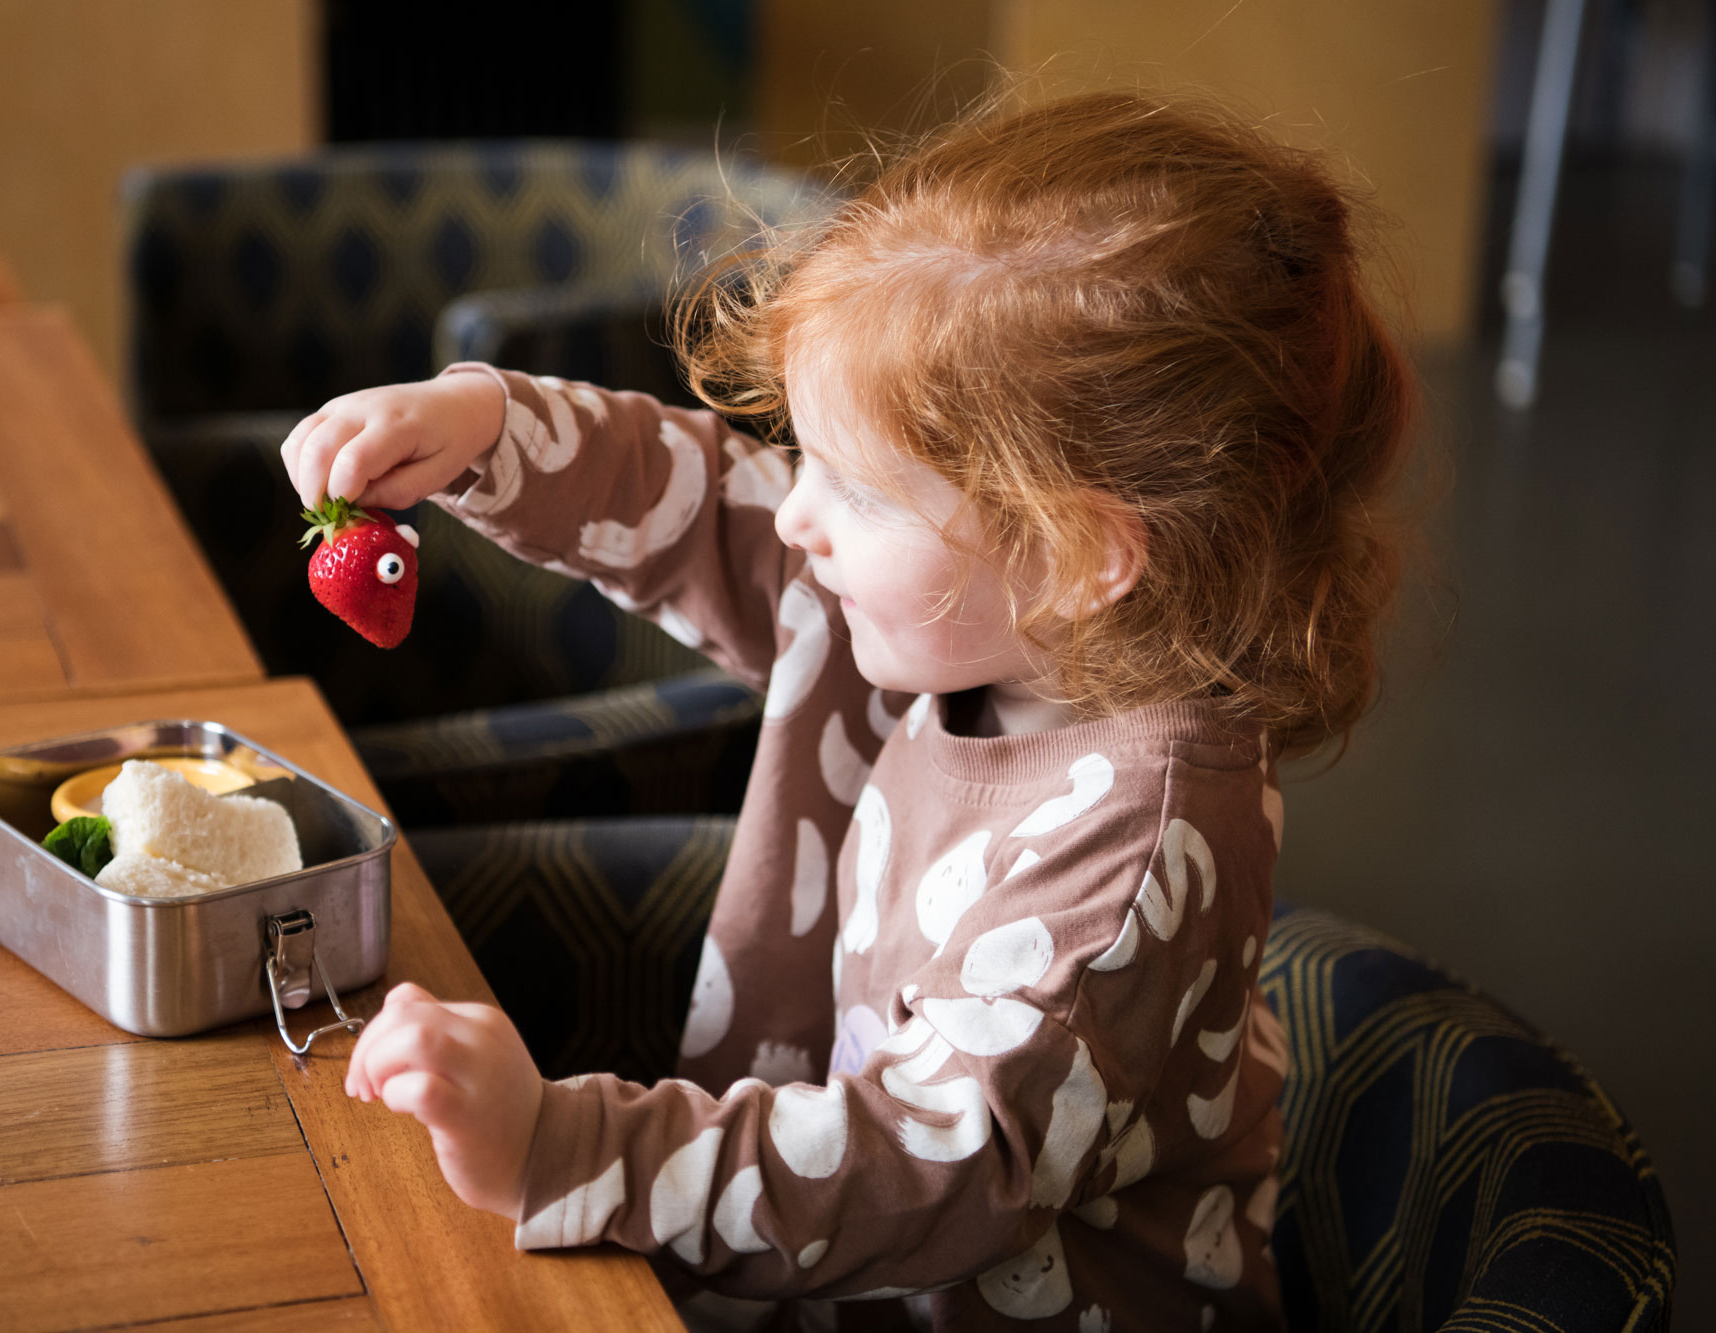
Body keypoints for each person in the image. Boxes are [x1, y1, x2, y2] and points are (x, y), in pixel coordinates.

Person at [281, 89, 1415, 1329]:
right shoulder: (974, 617)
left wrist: (560, 1145)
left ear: (1079, 553)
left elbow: (919, 1170)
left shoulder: (1126, 862)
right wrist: (487, 431)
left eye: (857, 486)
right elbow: (710, 506)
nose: (796, 514)